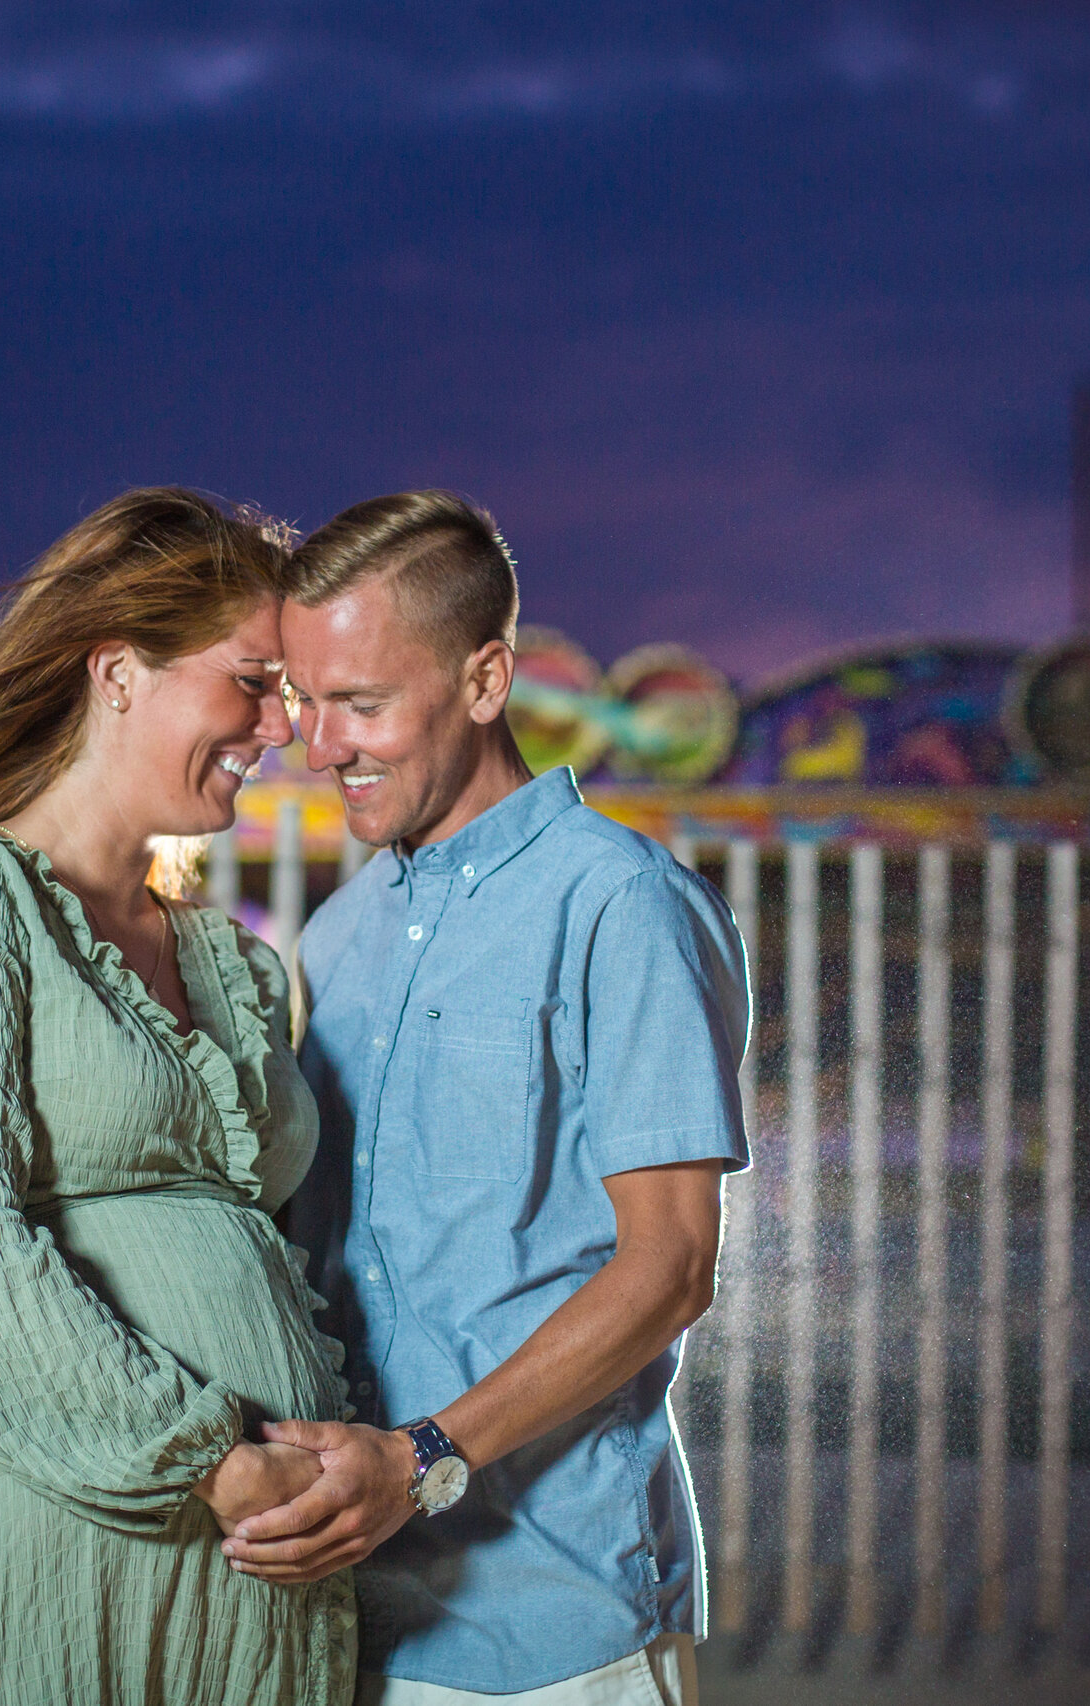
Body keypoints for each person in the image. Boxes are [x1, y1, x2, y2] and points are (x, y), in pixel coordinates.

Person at [0, 487, 359, 1705]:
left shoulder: (237, 963)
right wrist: (211, 1459)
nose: (282, 724)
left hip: (249, 1591)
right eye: (254, 679)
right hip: (30, 1553)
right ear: (118, 670)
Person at [232, 491, 751, 1704]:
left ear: (485, 680)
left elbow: (670, 1264)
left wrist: (419, 1460)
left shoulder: (621, 905)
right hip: (343, 1609)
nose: (319, 747)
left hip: (559, 1627)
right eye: (308, 703)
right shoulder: (343, 930)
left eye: (362, 703)